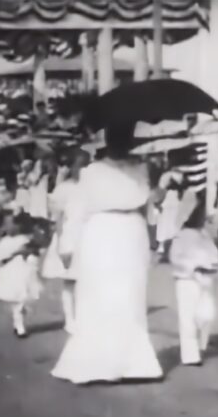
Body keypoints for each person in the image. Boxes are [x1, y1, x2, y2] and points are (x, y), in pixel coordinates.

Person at [51, 126, 163, 384]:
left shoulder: (141, 170)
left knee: (130, 296)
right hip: (101, 232)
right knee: (98, 294)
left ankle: (134, 364)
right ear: (109, 143)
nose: (123, 145)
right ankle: (94, 364)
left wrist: (154, 239)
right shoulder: (92, 172)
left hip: (131, 234)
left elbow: (149, 208)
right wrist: (67, 245)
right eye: (119, 140)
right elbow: (77, 210)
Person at [41, 149, 90, 334]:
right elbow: (58, 220)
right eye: (80, 165)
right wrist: (63, 245)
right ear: (72, 167)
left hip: (90, 237)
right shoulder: (64, 189)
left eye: (88, 165)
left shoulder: (93, 188)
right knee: (70, 280)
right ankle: (70, 319)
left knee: (89, 281)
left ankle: (85, 316)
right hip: (70, 237)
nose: (84, 169)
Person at [170, 197, 218, 366]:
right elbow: (175, 258)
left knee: (207, 313)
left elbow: (213, 253)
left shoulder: (205, 234)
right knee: (187, 317)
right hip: (187, 280)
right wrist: (192, 268)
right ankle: (190, 354)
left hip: (205, 279)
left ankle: (201, 342)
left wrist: (211, 265)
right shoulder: (181, 236)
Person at [0, 213, 42, 337]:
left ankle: (18, 322)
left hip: (25, 275)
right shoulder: (5, 242)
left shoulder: (26, 240)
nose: (9, 227)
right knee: (17, 302)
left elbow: (34, 254)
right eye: (7, 225)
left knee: (24, 301)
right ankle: (20, 327)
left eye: (12, 224)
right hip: (12, 276)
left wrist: (30, 256)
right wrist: (16, 252)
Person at [156, 168, 185, 262]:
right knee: (173, 225)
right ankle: (171, 248)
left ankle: (162, 247)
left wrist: (159, 202)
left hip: (168, 202)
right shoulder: (183, 175)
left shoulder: (166, 175)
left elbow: (161, 189)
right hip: (176, 202)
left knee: (164, 225)